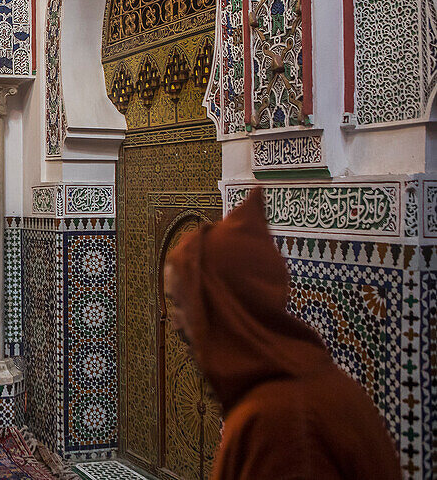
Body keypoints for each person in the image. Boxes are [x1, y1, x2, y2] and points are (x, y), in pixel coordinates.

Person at [164, 187, 401, 480]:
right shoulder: (306, 386)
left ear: (221, 309)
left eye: (181, 304)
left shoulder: (281, 423)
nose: (174, 323)